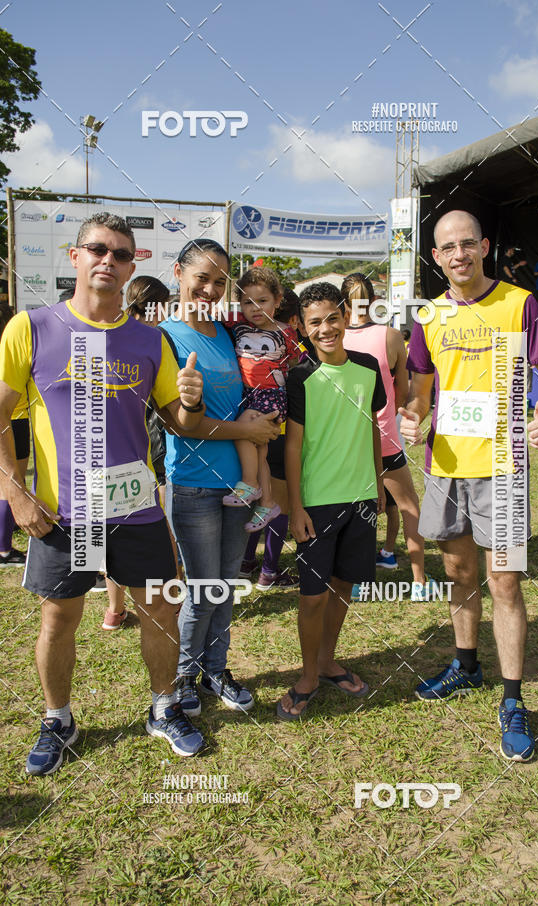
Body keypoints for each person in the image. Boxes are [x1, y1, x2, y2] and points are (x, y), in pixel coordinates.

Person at [0, 212, 208, 775]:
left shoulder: (148, 339)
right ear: (75, 255)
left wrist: (189, 399)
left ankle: (164, 708)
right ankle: (58, 719)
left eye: (121, 253)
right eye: (98, 249)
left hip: (134, 506)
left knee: (162, 609)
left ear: (132, 264)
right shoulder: (32, 327)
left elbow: (180, 421)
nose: (108, 261)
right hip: (64, 513)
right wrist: (16, 492)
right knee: (58, 620)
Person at [400, 210, 538, 762]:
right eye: (447, 247)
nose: (458, 254)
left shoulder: (520, 304)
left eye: (467, 244)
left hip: (504, 468)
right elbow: (420, 389)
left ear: (485, 247)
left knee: (505, 583)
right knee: (459, 571)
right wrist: (412, 416)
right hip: (444, 468)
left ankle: (514, 700)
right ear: (435, 257)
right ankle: (466, 665)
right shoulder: (428, 315)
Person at [162, 239, 280, 720]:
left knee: (226, 584)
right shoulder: (164, 336)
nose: (210, 289)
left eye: (219, 281)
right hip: (192, 483)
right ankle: (184, 676)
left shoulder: (228, 335)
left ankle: (216, 668)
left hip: (239, 486)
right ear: (178, 273)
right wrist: (246, 429)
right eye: (201, 278)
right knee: (202, 587)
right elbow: (179, 423)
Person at [278, 282, 386, 720]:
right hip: (318, 504)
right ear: (303, 328)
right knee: (312, 597)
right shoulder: (300, 376)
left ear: (345, 316)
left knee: (343, 585)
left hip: (361, 498)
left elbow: (373, 428)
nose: (326, 329)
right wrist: (296, 507)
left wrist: (377, 483)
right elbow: (292, 448)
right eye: (315, 323)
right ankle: (306, 675)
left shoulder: (368, 366)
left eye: (332, 318)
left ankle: (327, 661)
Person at [341, 273, 430, 596]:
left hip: (347, 442)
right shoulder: (392, 337)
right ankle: (419, 581)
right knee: (408, 505)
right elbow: (403, 391)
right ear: (374, 301)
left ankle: (357, 584)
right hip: (386, 436)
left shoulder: (334, 338)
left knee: (357, 511)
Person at [102, 275, 174, 630]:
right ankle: (169, 602)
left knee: (112, 533)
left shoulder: (112, 333)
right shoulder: (155, 339)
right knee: (162, 528)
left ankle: (114, 611)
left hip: (112, 450)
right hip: (149, 449)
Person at [222, 266, 297, 533]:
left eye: (262, 301)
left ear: (277, 300)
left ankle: (249, 484)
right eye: (247, 302)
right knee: (260, 452)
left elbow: (297, 365)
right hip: (247, 396)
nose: (255, 308)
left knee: (243, 430)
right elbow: (211, 314)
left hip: (272, 397)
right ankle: (267, 503)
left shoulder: (287, 332)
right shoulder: (238, 325)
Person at [240, 287, 302, 589]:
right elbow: (300, 369)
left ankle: (247, 561)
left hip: (247, 418)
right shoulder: (288, 338)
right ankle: (269, 569)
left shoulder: (239, 332)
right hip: (278, 424)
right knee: (278, 501)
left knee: (258, 497)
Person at [0, 304, 29, 567]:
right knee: (11, 484)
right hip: (15, 421)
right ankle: (4, 550)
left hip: (14, 419)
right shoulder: (10, 345)